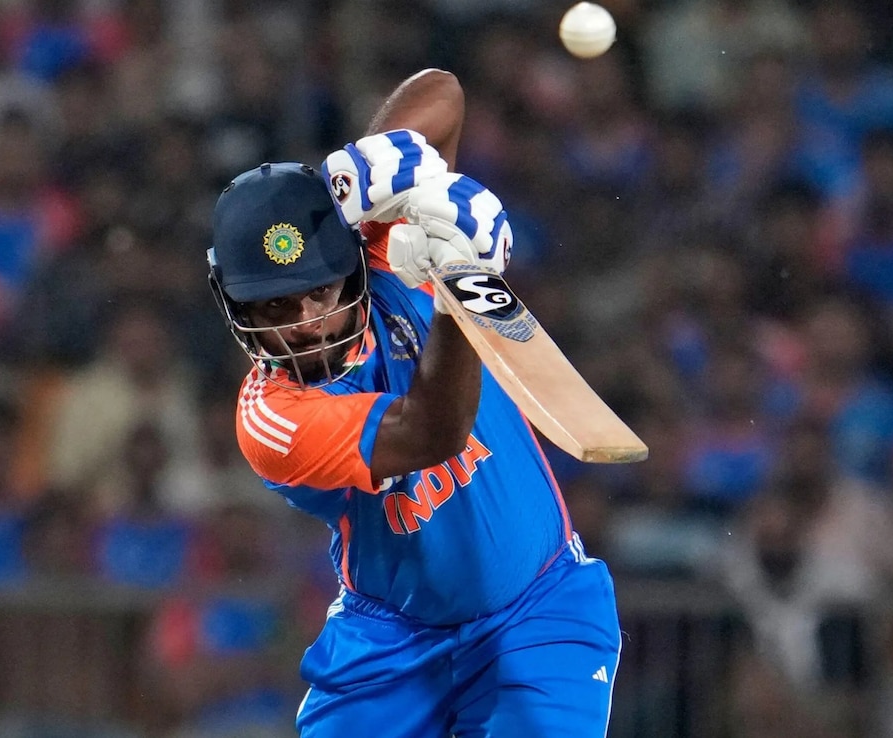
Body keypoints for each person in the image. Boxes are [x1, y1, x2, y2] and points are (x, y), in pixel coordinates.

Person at [206, 68, 622, 737]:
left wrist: (358, 169)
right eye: (275, 306)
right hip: (390, 642)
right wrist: (461, 282)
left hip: (540, 610)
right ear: (236, 307)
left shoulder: (377, 251)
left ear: (350, 260)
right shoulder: (271, 419)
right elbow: (433, 432)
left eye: (320, 290)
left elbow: (445, 96)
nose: (307, 321)